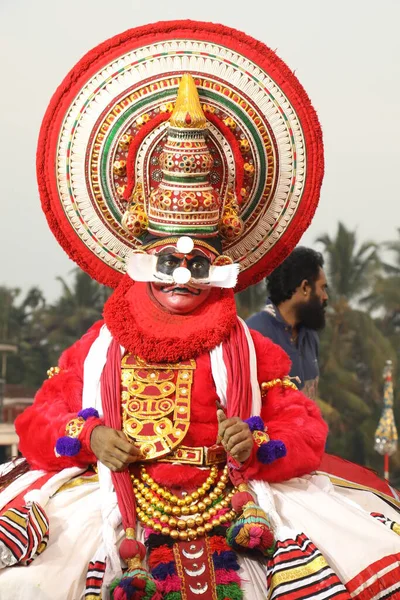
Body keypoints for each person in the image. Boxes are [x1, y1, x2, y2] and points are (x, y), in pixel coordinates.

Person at [0, 21, 399, 600]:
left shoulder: (250, 345)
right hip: (115, 510)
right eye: (168, 263)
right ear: (139, 258)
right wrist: (89, 436)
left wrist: (258, 442)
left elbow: (303, 427)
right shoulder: (97, 345)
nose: (183, 277)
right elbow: (39, 421)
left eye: (199, 264)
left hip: (236, 509)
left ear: (223, 265)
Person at [247, 247, 329, 400]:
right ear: (305, 287)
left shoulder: (310, 336)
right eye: (322, 288)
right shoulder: (254, 335)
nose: (325, 297)